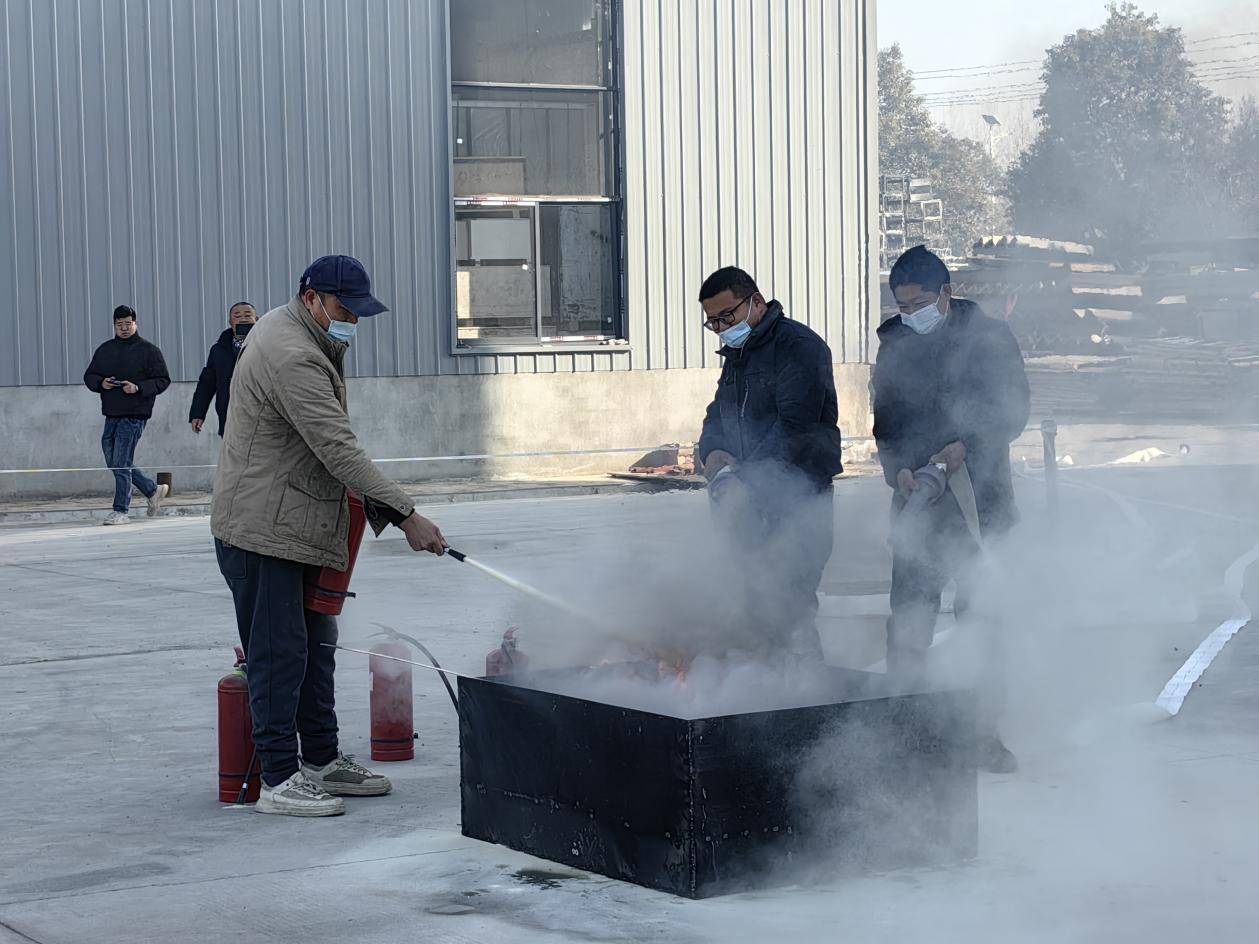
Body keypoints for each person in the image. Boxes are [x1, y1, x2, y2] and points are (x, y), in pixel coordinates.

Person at [211, 254, 448, 818]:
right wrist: (408, 515)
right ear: (313, 297)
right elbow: (337, 448)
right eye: (345, 309)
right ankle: (278, 777)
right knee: (278, 654)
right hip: (262, 530)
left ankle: (319, 759)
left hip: (298, 526)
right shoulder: (292, 353)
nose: (353, 321)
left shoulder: (302, 330)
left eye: (360, 312)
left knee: (316, 648)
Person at [871, 245, 1030, 773]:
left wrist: (963, 447)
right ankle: (905, 731)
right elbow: (886, 422)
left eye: (918, 302)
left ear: (945, 293)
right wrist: (898, 469)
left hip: (980, 502)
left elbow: (1011, 409)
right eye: (901, 305)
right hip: (919, 503)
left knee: (983, 620)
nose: (909, 313)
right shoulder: (894, 344)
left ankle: (983, 733)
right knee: (909, 621)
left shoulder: (988, 337)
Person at [696, 266, 843, 660]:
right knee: (755, 605)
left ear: (756, 302)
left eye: (727, 316)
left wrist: (744, 476)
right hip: (748, 502)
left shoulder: (799, 347)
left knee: (789, 608)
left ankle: (804, 699)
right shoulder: (738, 355)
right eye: (713, 322)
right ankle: (760, 697)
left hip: (798, 500)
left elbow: (794, 427)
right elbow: (719, 413)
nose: (722, 327)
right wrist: (710, 453)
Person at [82, 305, 171, 525]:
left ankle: (121, 510)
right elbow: (90, 375)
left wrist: (138, 388)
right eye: (119, 324)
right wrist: (101, 383)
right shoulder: (106, 349)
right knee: (115, 462)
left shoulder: (149, 351)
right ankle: (152, 490)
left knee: (121, 463)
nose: (123, 328)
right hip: (111, 413)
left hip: (134, 414)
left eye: (127, 324)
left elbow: (163, 380)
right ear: (114, 325)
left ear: (135, 323)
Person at [190, 302, 258, 436]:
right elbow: (206, 383)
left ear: (257, 319)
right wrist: (198, 413)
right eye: (237, 316)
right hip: (229, 418)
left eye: (248, 315)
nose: (243, 319)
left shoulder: (268, 345)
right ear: (230, 322)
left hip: (262, 417)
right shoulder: (218, 350)